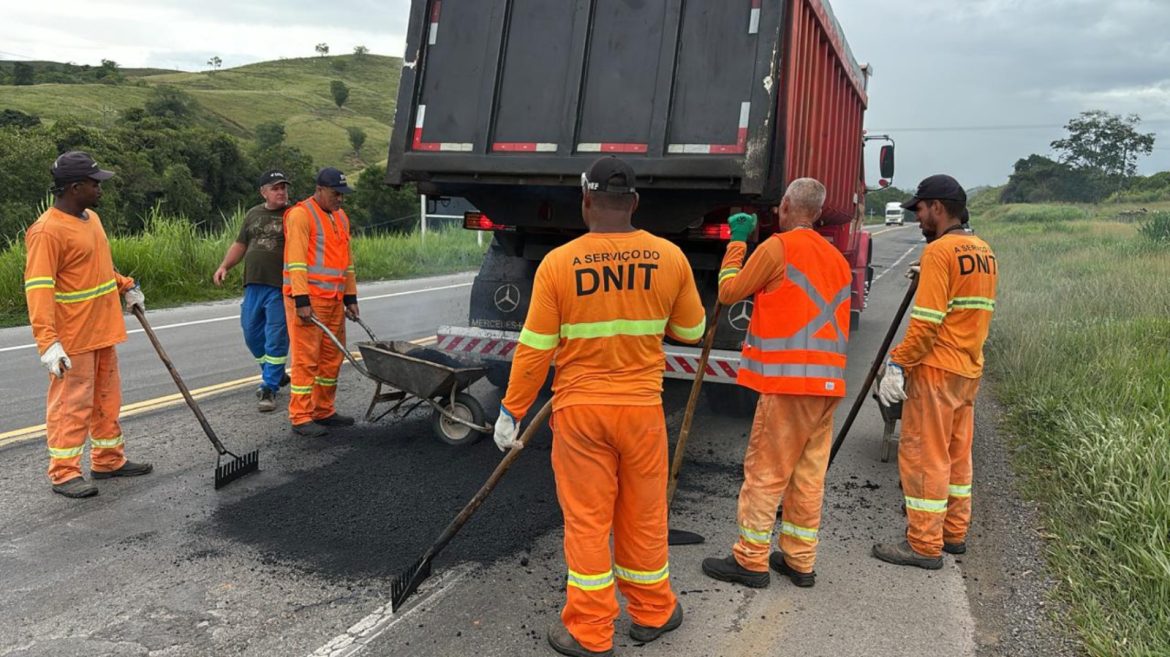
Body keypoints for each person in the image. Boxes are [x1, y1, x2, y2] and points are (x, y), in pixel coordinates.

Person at [494, 156, 706, 657]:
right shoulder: (669, 256)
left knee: (588, 522)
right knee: (644, 515)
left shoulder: (559, 263)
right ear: (634, 202)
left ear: (585, 201)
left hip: (581, 412)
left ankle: (590, 633)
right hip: (641, 412)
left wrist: (512, 410)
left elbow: (535, 349)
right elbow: (693, 332)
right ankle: (654, 612)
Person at [699, 178, 852, 589]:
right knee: (807, 476)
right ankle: (800, 561)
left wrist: (737, 242)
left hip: (788, 383)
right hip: (828, 385)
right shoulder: (836, 258)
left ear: (785, 206)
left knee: (766, 472)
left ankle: (750, 560)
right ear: (818, 213)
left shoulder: (778, 248)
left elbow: (730, 291)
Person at [873, 174, 998, 569]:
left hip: (937, 370)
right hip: (968, 370)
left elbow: (926, 324)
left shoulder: (940, 252)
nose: (919, 218)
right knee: (957, 456)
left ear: (938, 209)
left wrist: (897, 363)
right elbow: (963, 305)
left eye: (921, 210)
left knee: (925, 456)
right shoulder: (983, 251)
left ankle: (924, 544)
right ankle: (953, 533)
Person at [24, 151, 154, 498]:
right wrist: (47, 342)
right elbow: (38, 288)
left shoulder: (91, 219)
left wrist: (126, 286)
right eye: (95, 183)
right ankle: (64, 472)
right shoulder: (47, 231)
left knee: (106, 400)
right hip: (74, 337)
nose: (100, 188)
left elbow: (95, 268)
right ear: (74, 187)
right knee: (71, 406)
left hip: (103, 329)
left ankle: (108, 460)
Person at [282, 167, 360, 437]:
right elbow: (296, 261)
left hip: (335, 300)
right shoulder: (301, 215)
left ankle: (323, 410)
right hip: (309, 301)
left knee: (332, 357)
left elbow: (347, 263)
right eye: (335, 194)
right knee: (307, 359)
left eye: (342, 194)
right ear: (319, 190)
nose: (340, 199)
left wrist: (351, 297)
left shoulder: (341, 217)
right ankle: (301, 416)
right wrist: (301, 300)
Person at [213, 170, 293, 412]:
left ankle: (269, 387)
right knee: (251, 333)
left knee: (276, 337)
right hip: (253, 284)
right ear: (263, 192)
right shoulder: (253, 214)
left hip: (280, 286)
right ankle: (275, 373)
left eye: (283, 188)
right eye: (275, 188)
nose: (281, 192)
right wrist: (224, 265)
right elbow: (241, 244)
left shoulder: (294, 214)